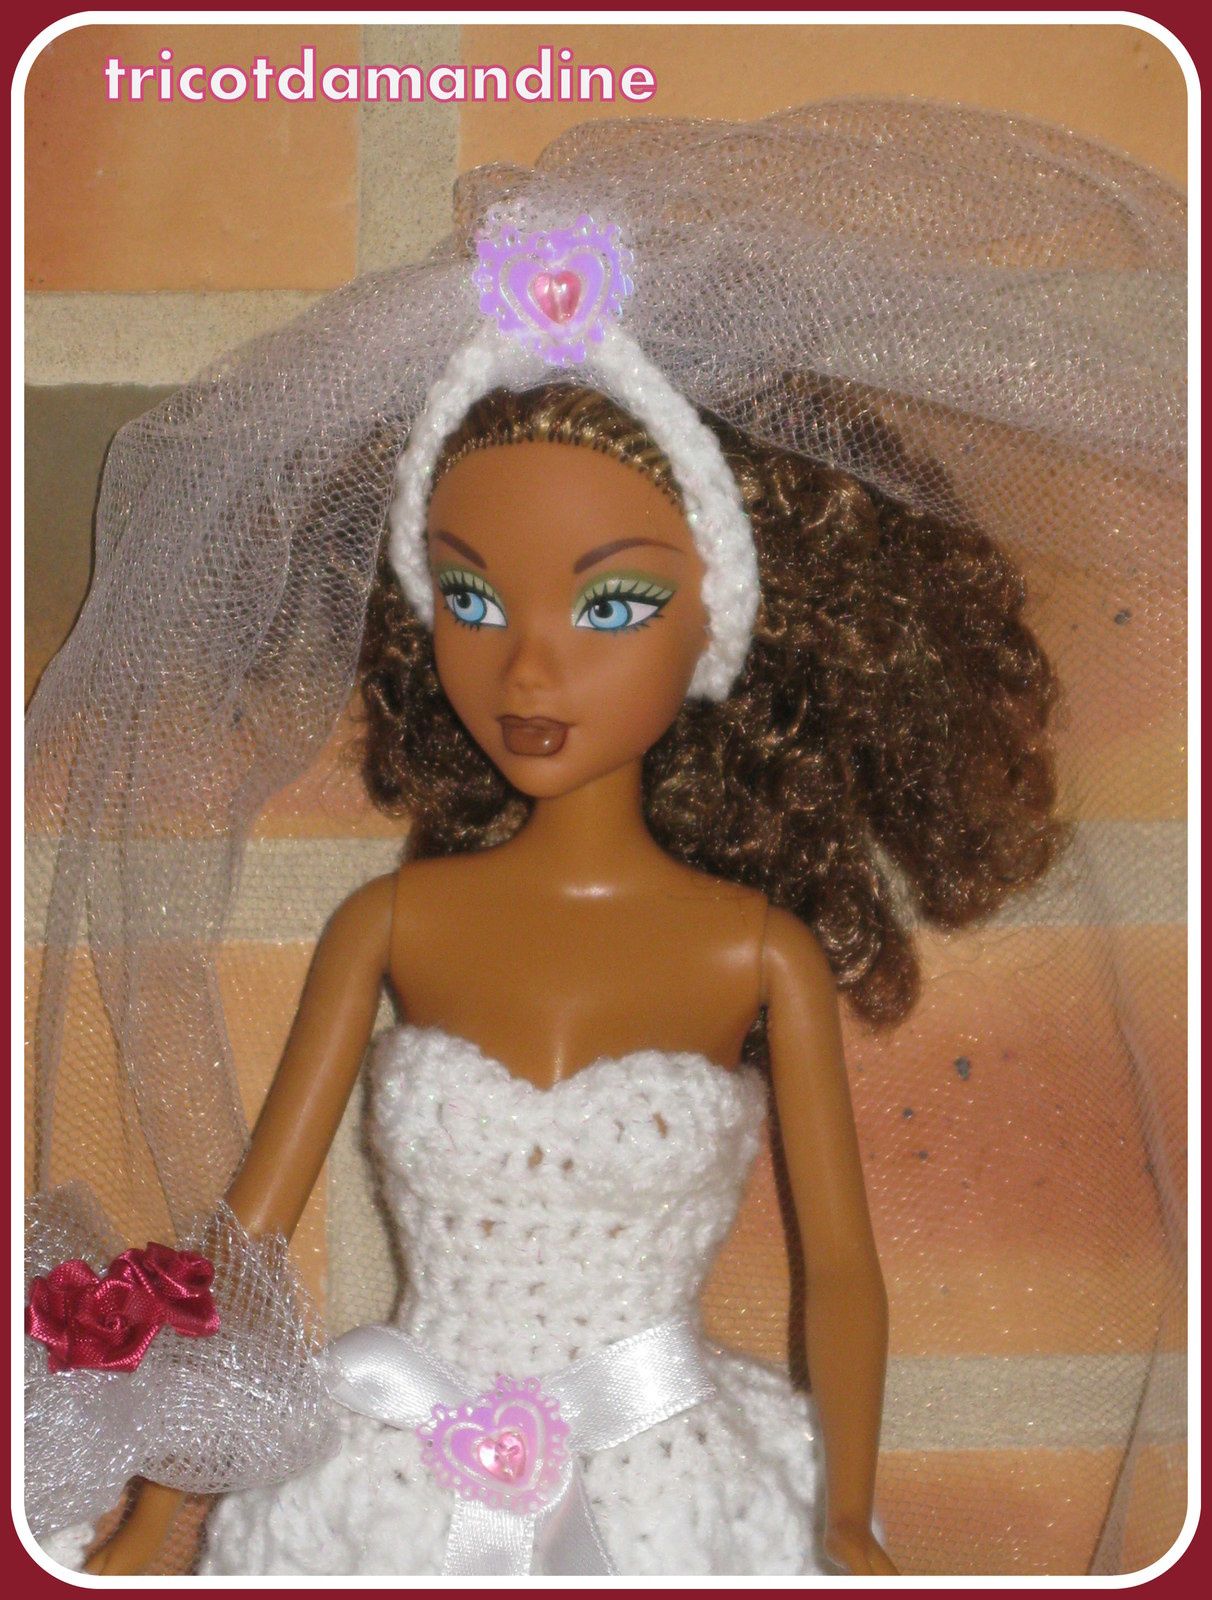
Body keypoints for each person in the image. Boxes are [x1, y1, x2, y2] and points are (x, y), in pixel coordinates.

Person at [25, 102, 1185, 1577]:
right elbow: (245, 1237)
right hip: (393, 1468)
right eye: (471, 598)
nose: (529, 666)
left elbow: (841, 1270)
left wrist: (843, 1515)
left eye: (613, 604)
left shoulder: (752, 951)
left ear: (731, 628)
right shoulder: (395, 927)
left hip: (668, 1481)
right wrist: (163, 1502)